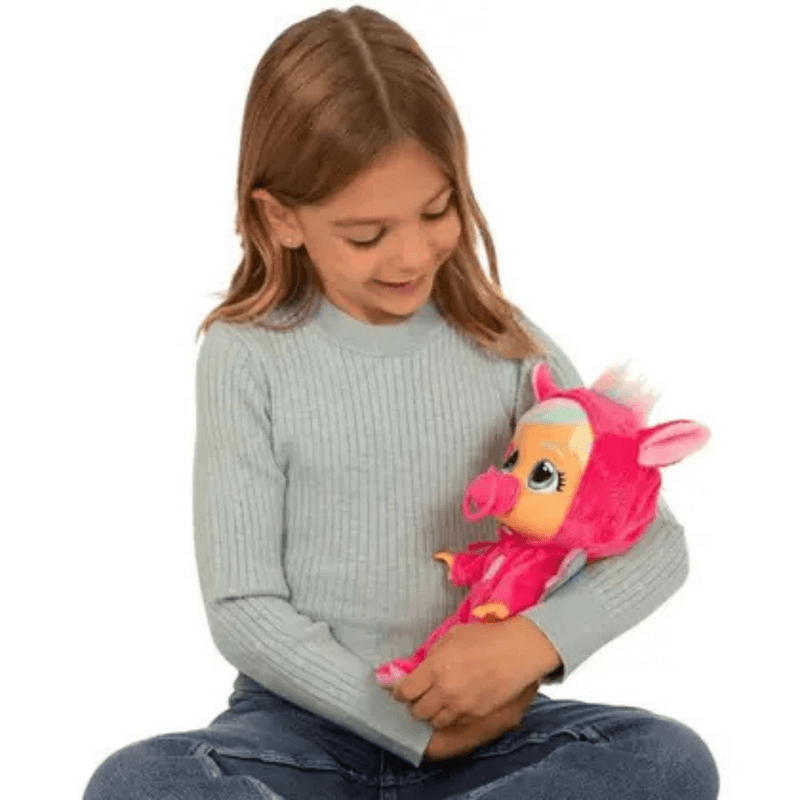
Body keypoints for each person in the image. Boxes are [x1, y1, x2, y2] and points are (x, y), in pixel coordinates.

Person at [83, 5, 719, 798]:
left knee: (667, 758)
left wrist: (530, 645)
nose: (412, 254)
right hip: (301, 731)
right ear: (280, 218)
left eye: (435, 211)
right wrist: (412, 728)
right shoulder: (247, 355)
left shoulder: (508, 346)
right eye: (367, 234)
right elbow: (243, 607)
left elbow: (655, 544)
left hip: (490, 728)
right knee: (140, 781)